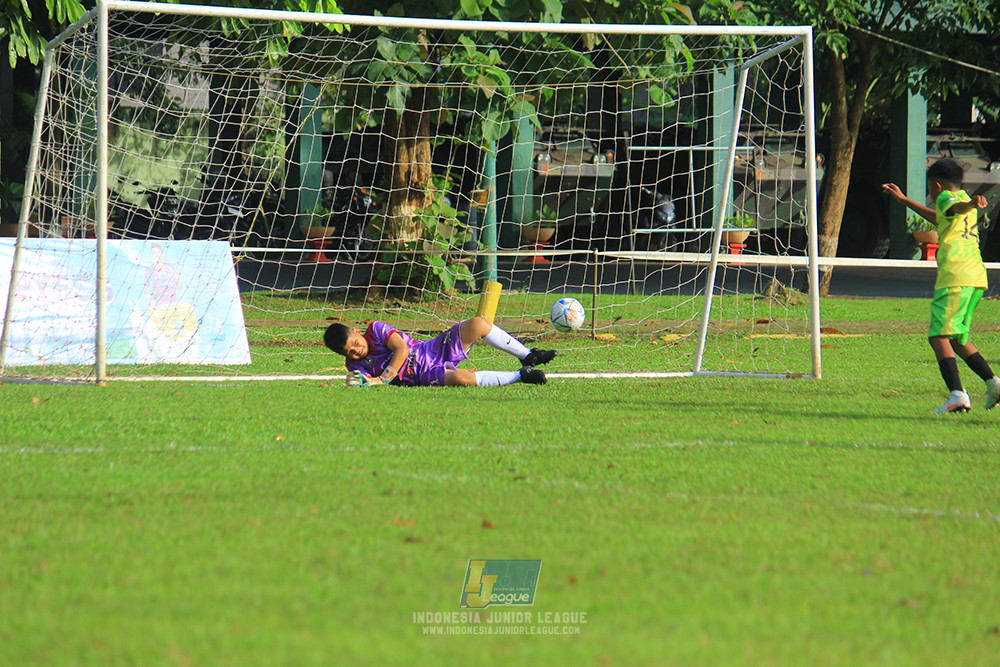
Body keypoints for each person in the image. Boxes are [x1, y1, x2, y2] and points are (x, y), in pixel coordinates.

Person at [882, 157, 1000, 413]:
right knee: (957, 339)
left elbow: (953, 208)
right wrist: (904, 201)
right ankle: (993, 383)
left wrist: (969, 204)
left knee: (938, 335)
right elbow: (942, 218)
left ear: (936, 186)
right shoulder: (960, 198)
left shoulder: (948, 198)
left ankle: (957, 395)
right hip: (976, 277)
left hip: (956, 276)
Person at [323, 316, 556, 387]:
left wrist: (382, 378)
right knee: (463, 379)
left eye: (355, 343)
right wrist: (356, 381)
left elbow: (401, 349)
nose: (356, 351)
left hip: (431, 348)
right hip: (422, 375)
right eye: (349, 353)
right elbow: (356, 380)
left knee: (477, 324)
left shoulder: (375, 330)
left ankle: (528, 355)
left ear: (356, 331)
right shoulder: (354, 365)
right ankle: (521, 375)